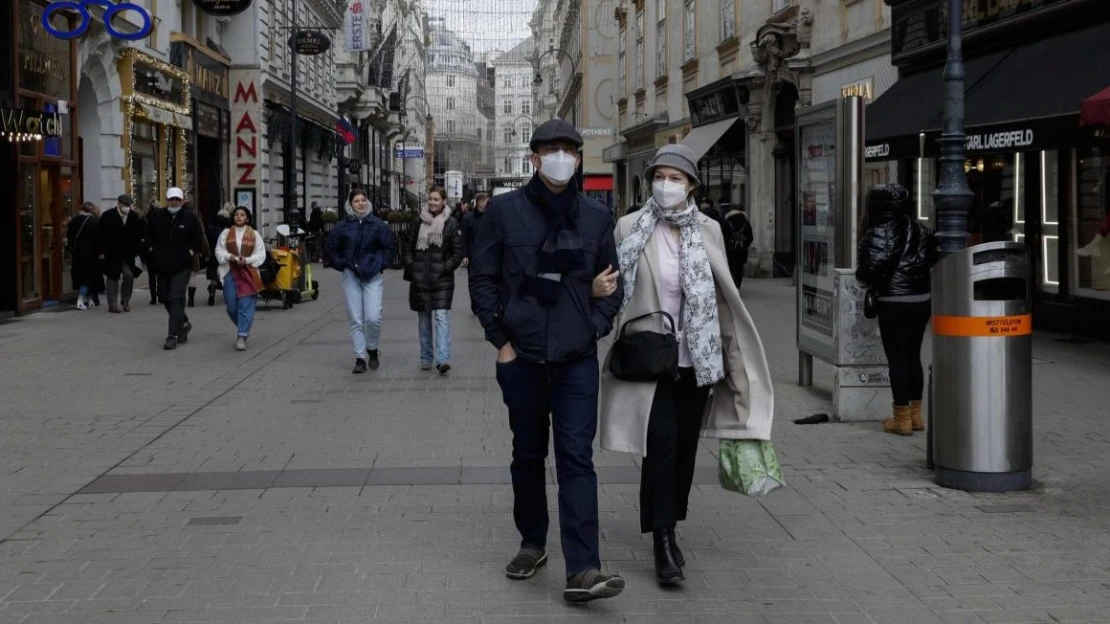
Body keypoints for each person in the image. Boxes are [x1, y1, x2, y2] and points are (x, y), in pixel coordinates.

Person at [598, 144, 775, 586]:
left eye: (675, 178)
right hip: (650, 357)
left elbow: (724, 298)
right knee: (660, 445)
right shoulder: (630, 227)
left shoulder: (709, 229)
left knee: (684, 450)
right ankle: (662, 541)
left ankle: (672, 523)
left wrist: (735, 362)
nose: (666, 185)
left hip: (698, 357)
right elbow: (613, 285)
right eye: (659, 177)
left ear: (691, 185)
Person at [469, 118, 626, 603]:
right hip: (523, 356)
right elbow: (482, 279)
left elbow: (612, 286)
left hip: (576, 358)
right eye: (551, 150)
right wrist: (501, 340)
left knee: (577, 457)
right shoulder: (504, 212)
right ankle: (532, 542)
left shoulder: (595, 217)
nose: (561, 158)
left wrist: (594, 325)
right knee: (528, 454)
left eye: (568, 150)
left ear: (578, 159)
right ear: (534, 159)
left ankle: (583, 569)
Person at [855, 184, 938, 436]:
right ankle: (916, 416)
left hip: (893, 302)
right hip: (921, 300)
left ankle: (901, 419)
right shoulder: (922, 230)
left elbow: (867, 272)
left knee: (897, 359)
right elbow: (933, 259)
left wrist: (869, 279)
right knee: (914, 356)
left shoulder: (876, 232)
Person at [324, 188, 397, 373]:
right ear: (350, 204)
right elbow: (331, 250)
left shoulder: (378, 225)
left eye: (363, 200)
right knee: (356, 318)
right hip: (351, 275)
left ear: (367, 202)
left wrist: (379, 264)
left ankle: (372, 348)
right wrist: (343, 264)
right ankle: (360, 358)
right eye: (356, 201)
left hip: (373, 275)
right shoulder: (342, 226)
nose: (360, 204)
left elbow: (390, 249)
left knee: (373, 317)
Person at [401, 186, 464, 374]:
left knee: (441, 317)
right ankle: (426, 357)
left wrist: (445, 268)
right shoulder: (417, 222)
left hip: (442, 279)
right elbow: (407, 248)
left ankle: (442, 359)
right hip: (420, 278)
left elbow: (457, 252)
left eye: (436, 199)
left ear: (444, 201)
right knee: (424, 319)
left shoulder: (451, 223)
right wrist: (412, 267)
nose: (432, 202)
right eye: (430, 199)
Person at [144, 187, 207, 350]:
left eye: (177, 200)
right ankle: (183, 322)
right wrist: (152, 250)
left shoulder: (190, 218)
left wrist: (191, 252)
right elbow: (147, 235)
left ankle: (172, 335)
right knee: (164, 296)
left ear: (182, 201)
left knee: (176, 297)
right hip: (162, 265)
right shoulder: (157, 216)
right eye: (171, 199)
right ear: (166, 200)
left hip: (182, 266)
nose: (174, 202)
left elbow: (198, 237)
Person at [215, 206, 267, 351]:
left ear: (247, 218)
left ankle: (242, 336)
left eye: (242, 215)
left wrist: (247, 260)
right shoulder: (225, 233)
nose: (239, 217)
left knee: (245, 305)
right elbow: (218, 251)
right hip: (230, 272)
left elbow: (261, 254)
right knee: (231, 307)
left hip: (248, 273)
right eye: (236, 214)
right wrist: (230, 257)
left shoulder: (254, 234)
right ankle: (244, 326)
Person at [98, 194, 144, 313]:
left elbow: (137, 235)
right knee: (112, 278)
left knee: (129, 276)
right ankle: (112, 304)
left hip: (129, 254)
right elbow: (100, 235)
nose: (127, 207)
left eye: (129, 205)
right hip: (112, 253)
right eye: (125, 205)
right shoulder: (108, 215)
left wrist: (139, 252)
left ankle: (125, 300)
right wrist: (101, 251)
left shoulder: (133, 216)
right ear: (119, 203)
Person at [66, 202, 101, 310]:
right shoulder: (94, 221)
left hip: (76, 254)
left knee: (80, 277)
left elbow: (69, 237)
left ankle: (85, 299)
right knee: (88, 278)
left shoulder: (73, 221)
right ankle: (82, 300)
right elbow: (98, 239)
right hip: (90, 254)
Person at [182, 201, 211, 307]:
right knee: (192, 275)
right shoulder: (196, 220)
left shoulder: (178, 218)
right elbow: (202, 237)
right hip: (193, 252)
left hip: (179, 252)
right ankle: (191, 300)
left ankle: (181, 298)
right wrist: (206, 252)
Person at [205, 204, 233, 306]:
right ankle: (227, 295)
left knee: (213, 275)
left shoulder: (211, 228)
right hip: (226, 254)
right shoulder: (230, 230)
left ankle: (212, 292)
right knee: (226, 274)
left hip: (213, 253)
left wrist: (206, 253)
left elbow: (207, 242)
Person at [723, 203, 754, 290]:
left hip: (730, 249)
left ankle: (732, 286)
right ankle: (737, 285)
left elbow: (723, 235)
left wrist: (727, 244)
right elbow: (750, 237)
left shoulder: (727, 222)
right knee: (739, 268)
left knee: (731, 267)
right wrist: (744, 244)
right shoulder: (745, 223)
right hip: (742, 250)